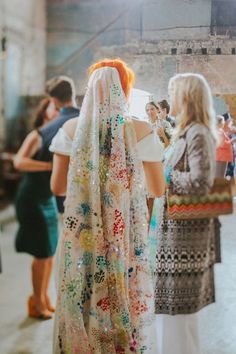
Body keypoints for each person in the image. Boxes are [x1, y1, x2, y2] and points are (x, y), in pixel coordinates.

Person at [50, 58, 165, 353]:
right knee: (120, 296)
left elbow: (58, 187)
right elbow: (157, 188)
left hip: (81, 236)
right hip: (123, 236)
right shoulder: (141, 130)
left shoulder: (71, 129)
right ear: (123, 88)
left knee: (82, 294)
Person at [153, 73, 218, 354]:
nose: (170, 97)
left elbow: (202, 183)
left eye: (174, 91)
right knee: (172, 309)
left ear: (187, 97)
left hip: (186, 236)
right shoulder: (185, 131)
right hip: (176, 232)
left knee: (179, 308)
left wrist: (167, 177)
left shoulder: (198, 133)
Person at [14, 98, 59, 319]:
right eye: (55, 107)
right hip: (31, 197)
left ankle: (43, 297)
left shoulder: (56, 134)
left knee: (49, 252)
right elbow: (19, 162)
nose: (58, 110)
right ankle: (36, 302)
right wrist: (49, 166)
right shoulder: (37, 135)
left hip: (47, 197)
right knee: (41, 254)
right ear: (45, 110)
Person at [38, 76, 80, 214]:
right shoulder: (91, 120)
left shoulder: (48, 129)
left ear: (54, 100)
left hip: (63, 199)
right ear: (72, 93)